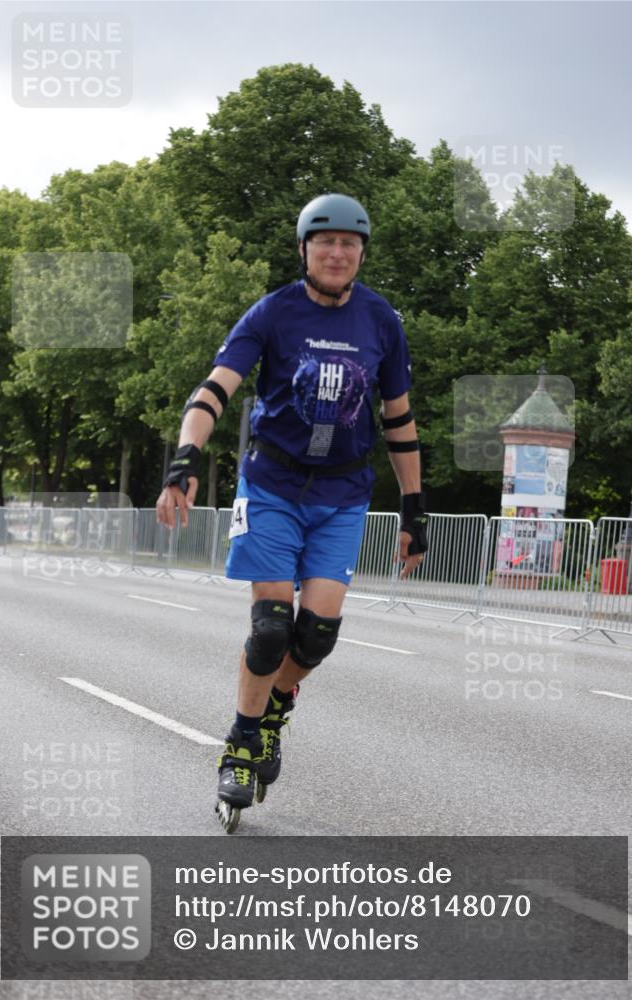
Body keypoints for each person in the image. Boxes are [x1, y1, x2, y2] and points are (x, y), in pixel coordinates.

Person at [156, 193, 428, 832]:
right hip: (273, 485)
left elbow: (400, 420)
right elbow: (213, 389)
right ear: (305, 249)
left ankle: (276, 709)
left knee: (317, 636)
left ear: (361, 253)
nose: (337, 253)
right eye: (325, 242)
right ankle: (244, 742)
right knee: (273, 626)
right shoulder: (273, 312)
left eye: (350, 244)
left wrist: (414, 508)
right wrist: (185, 460)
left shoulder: (381, 321)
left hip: (343, 496)